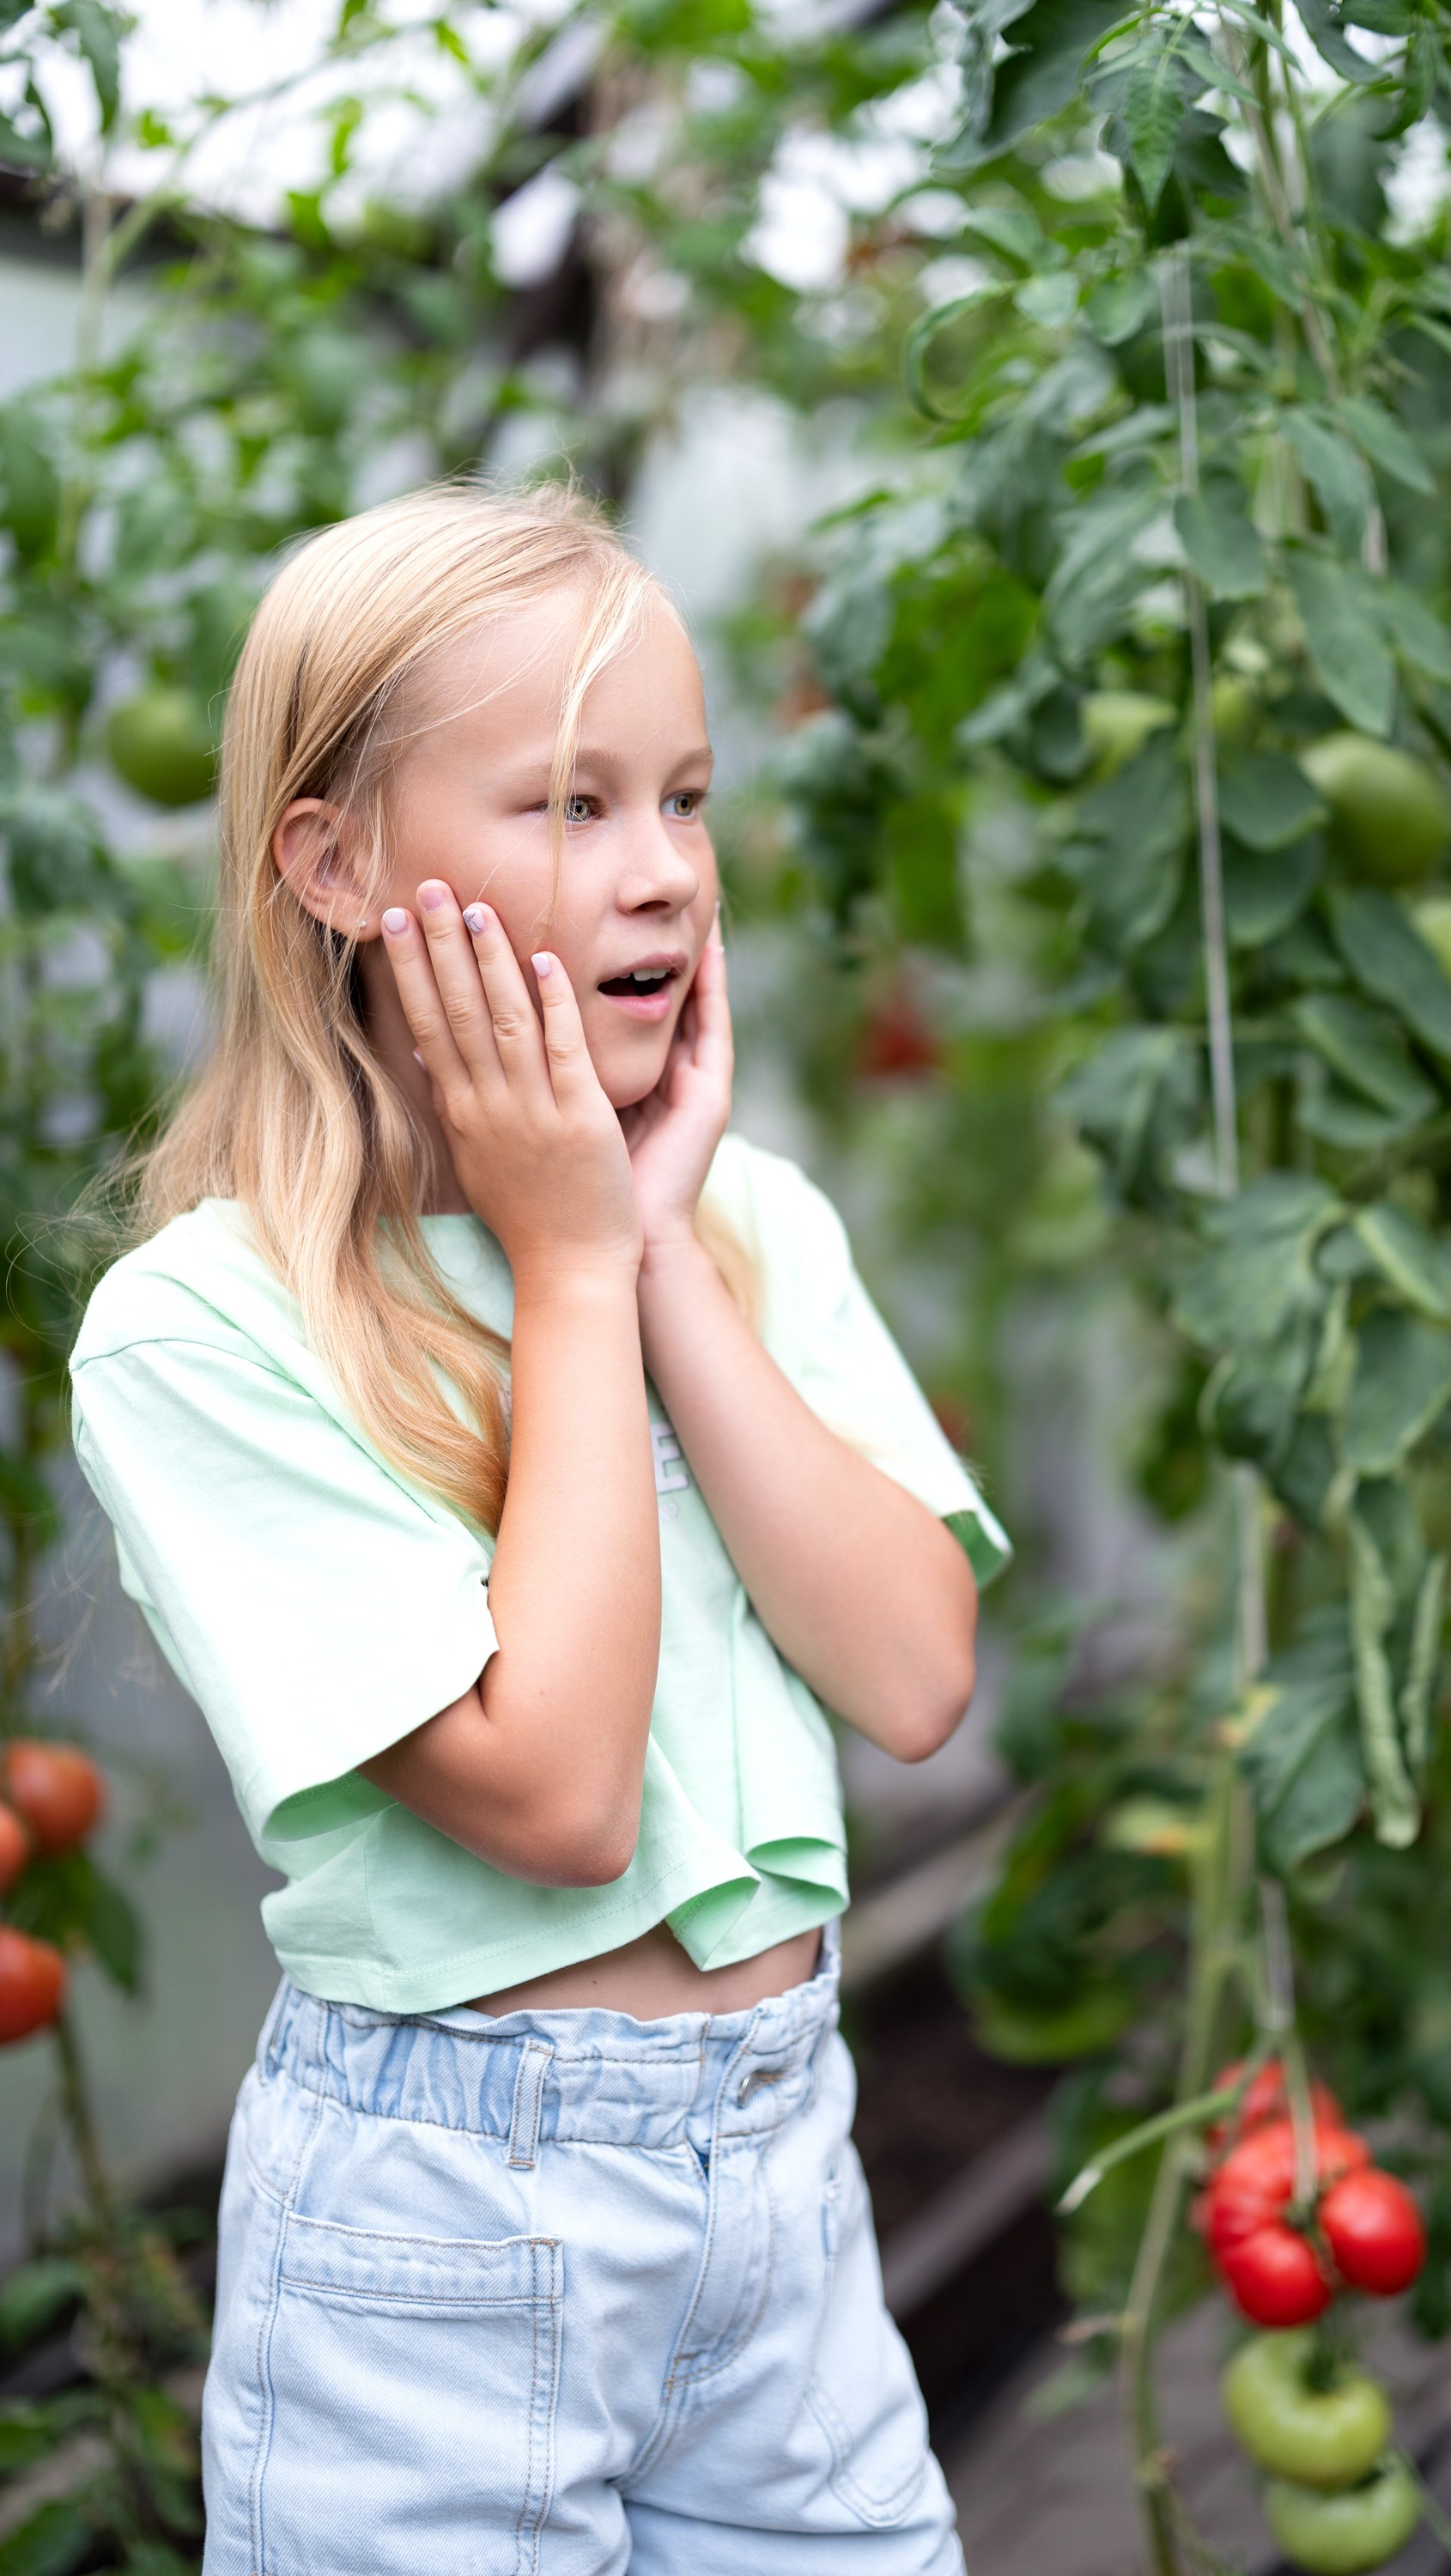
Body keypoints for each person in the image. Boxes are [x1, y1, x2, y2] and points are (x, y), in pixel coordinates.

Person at [68, 483, 1010, 2575]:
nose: (666, 871)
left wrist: (658, 1251)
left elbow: (917, 1675)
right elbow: (562, 1796)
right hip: (440, 2251)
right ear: (331, 862)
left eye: (682, 796)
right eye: (568, 807)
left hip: (786, 2180)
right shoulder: (209, 1325)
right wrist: (577, 1268)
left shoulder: (748, 1225)